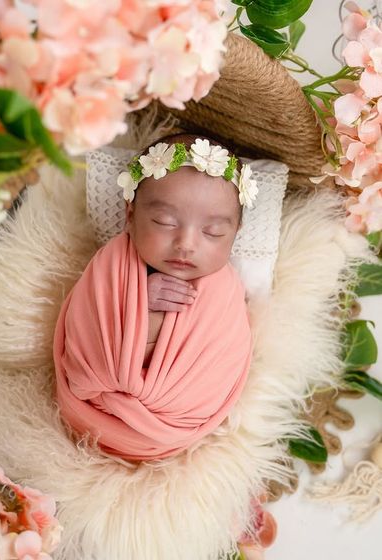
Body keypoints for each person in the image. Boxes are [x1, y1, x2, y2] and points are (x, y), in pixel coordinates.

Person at [53, 133, 257, 461]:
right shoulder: (111, 266)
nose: (186, 244)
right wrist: (138, 307)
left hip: (176, 425)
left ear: (235, 234)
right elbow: (86, 347)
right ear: (130, 215)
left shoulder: (226, 292)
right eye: (164, 222)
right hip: (90, 414)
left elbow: (222, 359)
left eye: (213, 232)